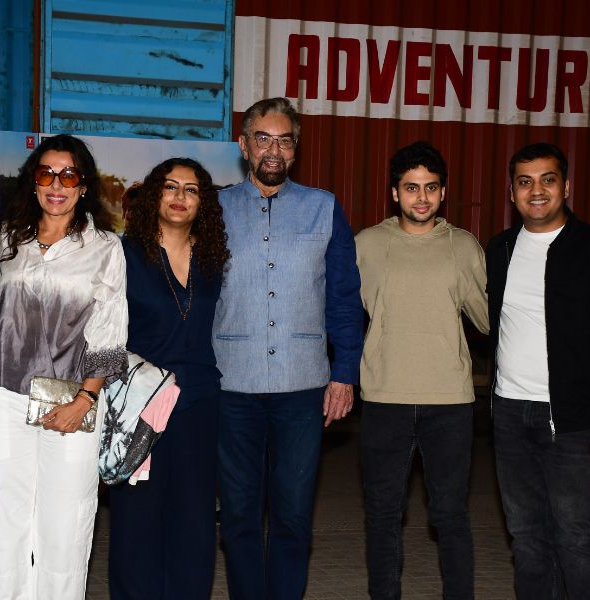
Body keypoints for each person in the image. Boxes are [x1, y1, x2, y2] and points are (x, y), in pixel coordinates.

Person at [213, 97, 364, 599]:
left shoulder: (324, 207)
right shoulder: (213, 209)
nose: (273, 150)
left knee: (293, 516)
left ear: (295, 149)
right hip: (232, 384)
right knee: (238, 515)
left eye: (284, 140)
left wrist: (344, 372)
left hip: (303, 387)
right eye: (263, 139)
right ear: (244, 145)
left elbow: (344, 297)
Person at [486, 142, 590, 599]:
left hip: (581, 424)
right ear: (512, 192)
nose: (536, 190)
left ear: (566, 186)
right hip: (511, 417)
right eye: (525, 182)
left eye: (547, 180)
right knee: (527, 538)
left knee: (579, 538)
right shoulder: (500, 249)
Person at [0, 134, 128, 600]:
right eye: (46, 174)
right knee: (3, 522)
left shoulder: (104, 247)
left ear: (84, 186)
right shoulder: (10, 238)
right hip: (5, 398)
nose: (57, 185)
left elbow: (110, 332)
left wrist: (85, 398)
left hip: (71, 399)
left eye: (69, 175)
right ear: (33, 182)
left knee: (65, 525)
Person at [355, 141, 488, 600]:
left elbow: (489, 319)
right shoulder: (367, 245)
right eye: (411, 188)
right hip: (384, 398)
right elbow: (343, 314)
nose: (422, 197)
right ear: (395, 193)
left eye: (431, 187)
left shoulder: (463, 246)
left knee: (450, 514)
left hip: (449, 402)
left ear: (443, 192)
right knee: (382, 514)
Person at [107, 157, 229, 599]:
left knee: (194, 523)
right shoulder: (123, 255)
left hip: (200, 406)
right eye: (171, 186)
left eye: (191, 189)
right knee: (136, 523)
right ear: (155, 194)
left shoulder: (214, 258)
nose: (180, 197)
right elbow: (102, 332)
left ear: (202, 202)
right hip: (140, 409)